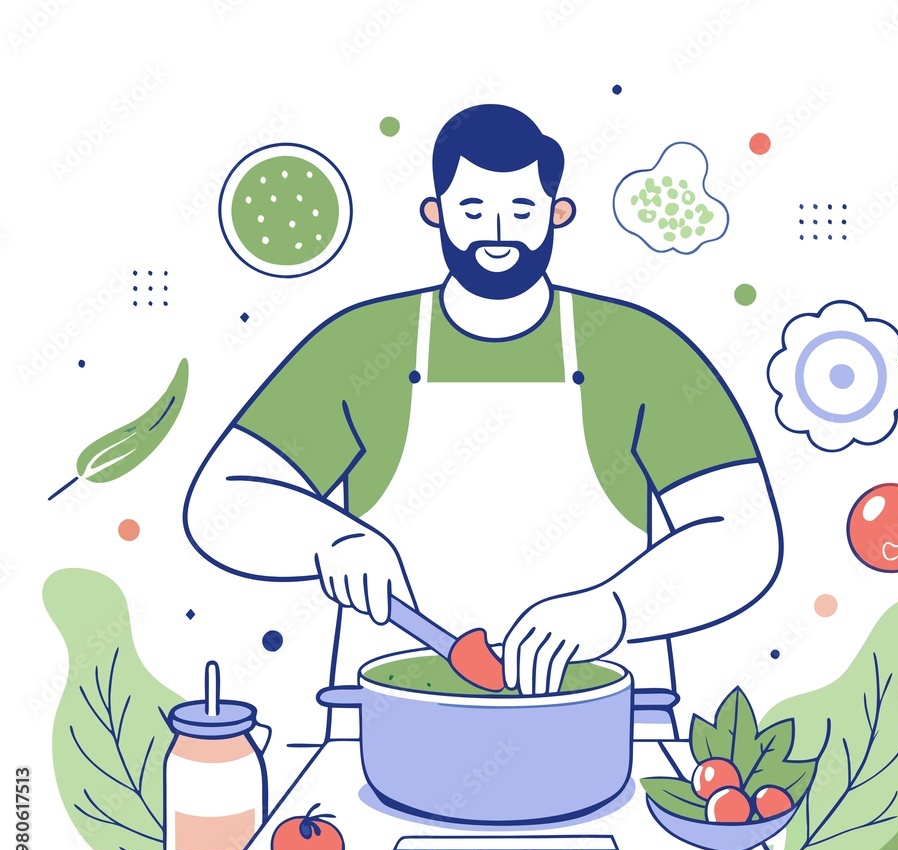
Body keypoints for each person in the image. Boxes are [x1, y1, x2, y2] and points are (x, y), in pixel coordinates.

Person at [184, 104, 780, 736]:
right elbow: (220, 501)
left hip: (595, 729)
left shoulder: (640, 348)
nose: (498, 233)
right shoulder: (360, 345)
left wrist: (616, 609)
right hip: (397, 730)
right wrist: (328, 539)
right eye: (473, 212)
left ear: (557, 214)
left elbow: (743, 535)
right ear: (435, 214)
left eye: (521, 212)